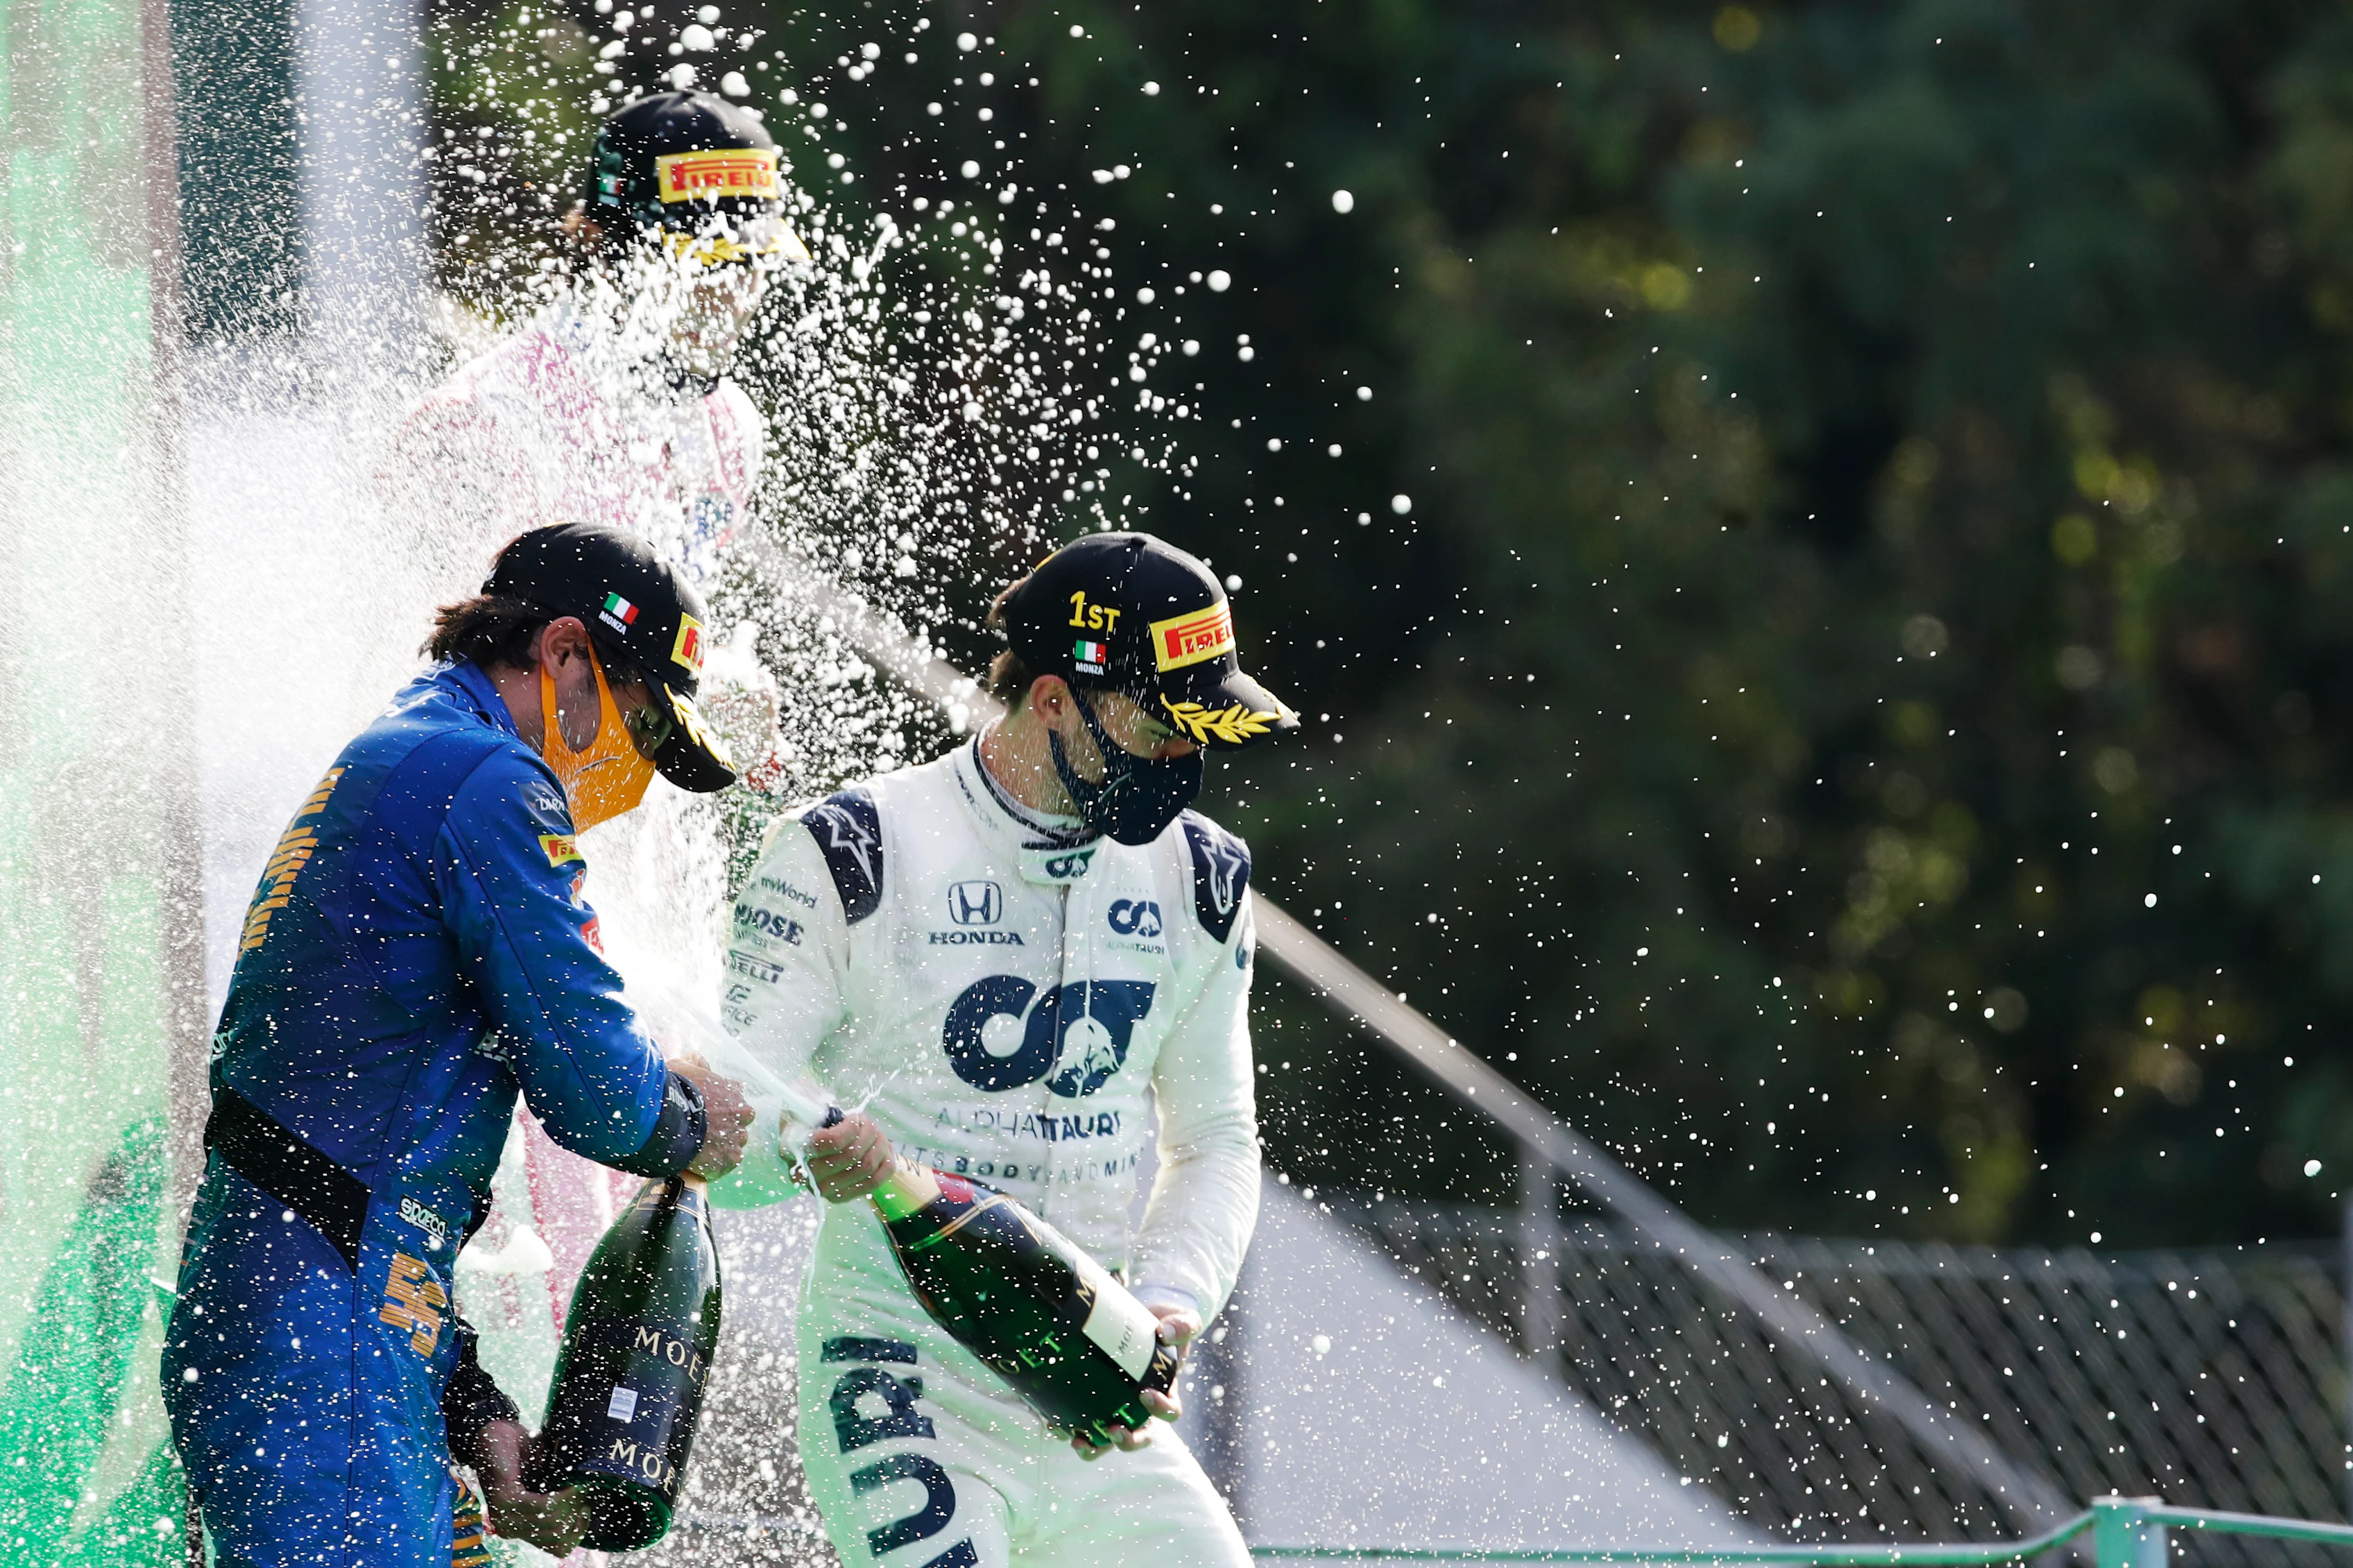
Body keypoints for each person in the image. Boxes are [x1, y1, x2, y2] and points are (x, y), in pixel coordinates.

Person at [163, 522, 756, 1568]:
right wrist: (692, 1119)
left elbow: (354, 1177)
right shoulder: (490, 783)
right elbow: (599, 1096)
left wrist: (474, 1410)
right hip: (326, 1356)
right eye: (648, 726)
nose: (646, 776)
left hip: (311, 1326)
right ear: (565, 655)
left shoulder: (408, 753)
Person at [707, 532, 1297, 1568]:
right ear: (1055, 699)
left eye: (1200, 730)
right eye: (1160, 722)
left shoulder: (1207, 881)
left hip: (1082, 1384)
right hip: (898, 1365)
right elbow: (723, 1153)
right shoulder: (851, 849)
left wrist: (1167, 1305)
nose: (1181, 760)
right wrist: (808, 1145)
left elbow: (1214, 1138)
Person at [384, 87, 802, 585]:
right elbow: (419, 651)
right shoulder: (478, 424)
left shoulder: (730, 426)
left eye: (752, 262)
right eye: (704, 263)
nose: (732, 295)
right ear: (599, 247)